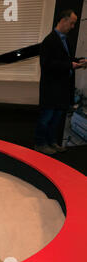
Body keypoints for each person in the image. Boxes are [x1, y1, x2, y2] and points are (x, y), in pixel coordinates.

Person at [36, 9, 87, 155]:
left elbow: (66, 60)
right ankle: (40, 144)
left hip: (62, 88)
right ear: (63, 20)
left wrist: (79, 61)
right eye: (71, 23)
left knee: (56, 119)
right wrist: (69, 65)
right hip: (51, 88)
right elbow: (47, 65)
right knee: (46, 118)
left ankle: (52, 142)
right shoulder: (49, 41)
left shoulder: (66, 40)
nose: (73, 27)